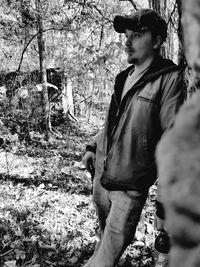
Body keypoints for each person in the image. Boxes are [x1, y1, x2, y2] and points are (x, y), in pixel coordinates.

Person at [82, 8, 184, 267]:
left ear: (158, 40)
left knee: (104, 259)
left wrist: (166, 199)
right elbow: (115, 123)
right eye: (127, 35)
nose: (127, 41)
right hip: (102, 178)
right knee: (103, 238)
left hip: (130, 186)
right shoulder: (122, 78)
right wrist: (94, 145)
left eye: (137, 35)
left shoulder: (168, 79)